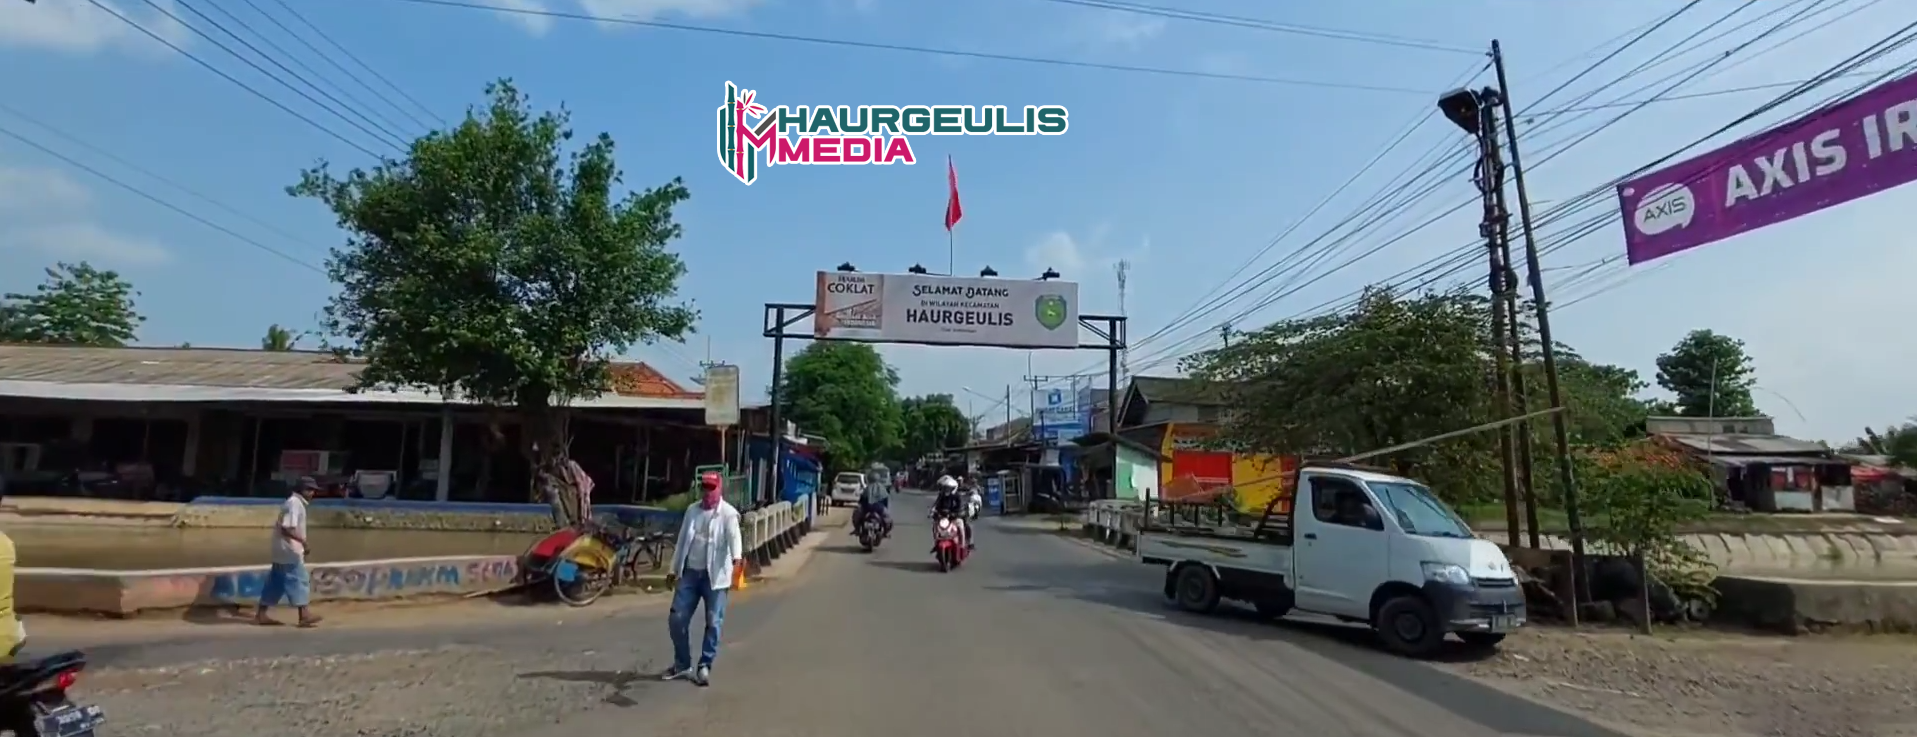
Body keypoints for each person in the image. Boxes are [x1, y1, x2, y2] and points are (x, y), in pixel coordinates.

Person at [661, 472, 742, 688]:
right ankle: (682, 663)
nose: (707, 492)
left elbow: (735, 538)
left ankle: (704, 664)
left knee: (713, 622)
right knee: (676, 618)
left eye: (711, 488)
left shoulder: (728, 514)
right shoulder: (692, 511)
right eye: (704, 487)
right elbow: (681, 542)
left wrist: (737, 561)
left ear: (719, 489)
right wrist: (673, 570)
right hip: (690, 573)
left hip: (715, 577)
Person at [256, 477, 322, 628]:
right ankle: (304, 615)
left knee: (276, 582)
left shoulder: (292, 503)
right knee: (300, 580)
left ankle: (261, 614)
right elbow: (287, 528)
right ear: (302, 490)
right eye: (310, 490)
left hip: (281, 550)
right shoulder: (295, 504)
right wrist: (304, 543)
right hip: (290, 550)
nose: (313, 493)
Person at [930, 476, 974, 551]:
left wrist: (957, 513)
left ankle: (962, 545)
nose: (946, 490)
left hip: (955, 516)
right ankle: (936, 543)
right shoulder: (941, 495)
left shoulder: (957, 496)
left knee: (961, 526)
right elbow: (936, 503)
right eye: (945, 488)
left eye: (948, 488)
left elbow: (960, 506)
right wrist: (933, 510)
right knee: (935, 527)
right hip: (943, 517)